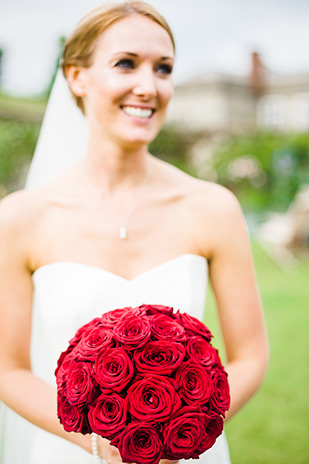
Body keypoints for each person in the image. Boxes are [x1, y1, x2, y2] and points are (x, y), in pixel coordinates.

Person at [0, 2, 269, 463]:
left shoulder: (213, 207)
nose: (149, 87)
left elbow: (250, 356)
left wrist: (184, 431)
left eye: (163, 69)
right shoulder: (21, 217)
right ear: (76, 77)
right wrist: (96, 442)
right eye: (126, 63)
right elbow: (8, 368)